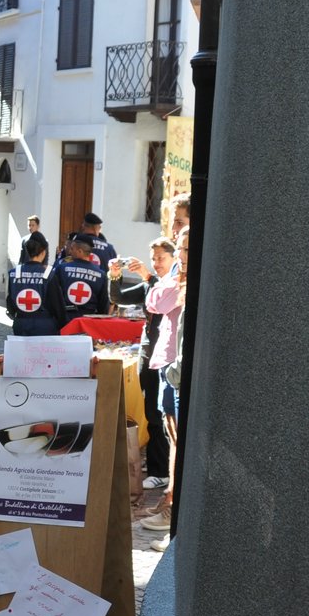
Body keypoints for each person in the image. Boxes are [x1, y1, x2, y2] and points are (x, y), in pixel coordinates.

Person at [110, 237, 176, 489]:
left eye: (161, 258)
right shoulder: (149, 283)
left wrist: (148, 276)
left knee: (161, 413)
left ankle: (161, 470)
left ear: (172, 259)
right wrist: (114, 275)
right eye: (153, 258)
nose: (157, 263)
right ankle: (158, 467)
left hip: (165, 355)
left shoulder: (166, 283)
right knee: (151, 411)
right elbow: (117, 297)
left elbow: (163, 295)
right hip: (147, 353)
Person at [141, 226, 188, 540]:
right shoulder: (176, 277)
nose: (182, 257)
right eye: (181, 249)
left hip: (179, 364)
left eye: (185, 249)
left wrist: (168, 285)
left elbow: (161, 299)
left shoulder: (185, 280)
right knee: (171, 433)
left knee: (179, 438)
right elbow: (154, 302)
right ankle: (170, 496)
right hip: (167, 362)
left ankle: (175, 506)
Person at [6, 232, 66, 336]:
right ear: (43, 252)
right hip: (45, 327)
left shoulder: (14, 273)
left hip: (21, 325)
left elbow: (10, 302)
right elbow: (58, 307)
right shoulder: (49, 275)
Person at [56, 233, 110, 318]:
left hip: (65, 320)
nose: (69, 251)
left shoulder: (61, 268)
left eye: (72, 249)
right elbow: (103, 307)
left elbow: (53, 296)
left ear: (80, 251)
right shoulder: (101, 275)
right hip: (88, 322)